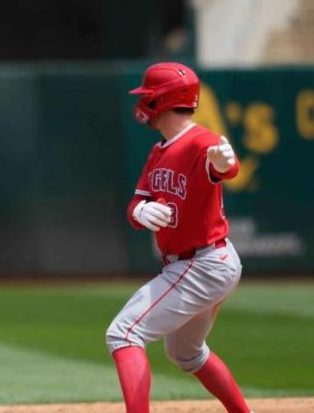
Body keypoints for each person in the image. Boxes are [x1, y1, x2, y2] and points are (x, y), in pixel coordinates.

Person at [105, 62, 253, 413]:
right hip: (208, 262)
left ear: (162, 99)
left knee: (123, 333)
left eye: (147, 96)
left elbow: (223, 165)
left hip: (202, 263)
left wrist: (223, 163)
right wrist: (139, 212)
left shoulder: (201, 141)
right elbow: (137, 203)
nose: (143, 103)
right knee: (185, 352)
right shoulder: (159, 151)